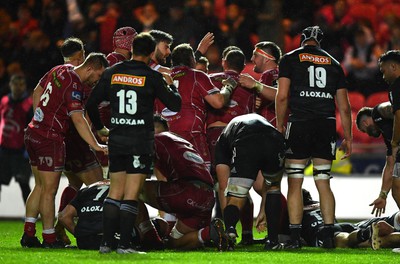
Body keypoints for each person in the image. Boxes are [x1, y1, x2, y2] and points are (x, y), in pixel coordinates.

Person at [86, 32, 181, 254]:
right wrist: (172, 85)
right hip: (140, 142)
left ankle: (106, 244)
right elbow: (175, 105)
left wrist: (100, 128)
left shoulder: (112, 73)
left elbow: (91, 104)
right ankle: (124, 246)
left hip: (117, 140)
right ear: (150, 53)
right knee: (130, 195)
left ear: (131, 50)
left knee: (114, 193)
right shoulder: (152, 76)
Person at [275, 25, 352, 249]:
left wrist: (280, 125)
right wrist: (348, 137)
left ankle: (295, 237)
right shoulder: (335, 64)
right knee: (323, 181)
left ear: (303, 40)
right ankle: (328, 234)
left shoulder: (290, 59)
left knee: (295, 181)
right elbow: (345, 107)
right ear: (320, 42)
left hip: (299, 123)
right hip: (325, 125)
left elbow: (282, 97)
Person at [21, 53, 109, 248]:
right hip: (49, 138)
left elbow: (38, 90)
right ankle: (50, 238)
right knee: (49, 191)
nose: (98, 80)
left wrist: (40, 117)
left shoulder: (61, 69)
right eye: (99, 75)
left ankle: (28, 234)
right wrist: (96, 145)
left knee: (40, 187)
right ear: (90, 68)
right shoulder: (74, 85)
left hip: (33, 132)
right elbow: (78, 118)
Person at [140, 131, 227, 251]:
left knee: (131, 189)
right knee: (173, 243)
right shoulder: (181, 141)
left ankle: (150, 239)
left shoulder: (156, 140)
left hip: (186, 191)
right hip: (207, 197)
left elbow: (139, 175)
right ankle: (209, 232)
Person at [206, 48, 258, 244]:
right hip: (239, 136)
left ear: (224, 62)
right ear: (243, 66)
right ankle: (245, 233)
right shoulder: (249, 85)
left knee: (216, 185)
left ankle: (217, 230)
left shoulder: (211, 78)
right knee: (241, 188)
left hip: (213, 135)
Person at [215, 113, 286, 250]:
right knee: (274, 188)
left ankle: (230, 232)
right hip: (275, 138)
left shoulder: (222, 143)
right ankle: (273, 241)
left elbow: (224, 187)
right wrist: (263, 209)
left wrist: (228, 221)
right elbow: (268, 185)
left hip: (246, 139)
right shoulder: (250, 125)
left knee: (237, 194)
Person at [161, 43, 237, 169]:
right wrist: (228, 87)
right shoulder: (196, 75)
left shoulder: (161, 78)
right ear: (192, 60)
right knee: (202, 175)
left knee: (170, 174)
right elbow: (218, 102)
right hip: (191, 131)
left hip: (166, 132)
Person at [58, 179, 168, 250]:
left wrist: (81, 234)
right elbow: (139, 217)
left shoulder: (87, 189)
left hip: (84, 241)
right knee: (161, 224)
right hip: (114, 238)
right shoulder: (126, 188)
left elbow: (64, 217)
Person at [97, 27, 138, 176]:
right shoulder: (124, 65)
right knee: (116, 174)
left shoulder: (106, 59)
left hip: (97, 118)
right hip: (112, 119)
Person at [356, 102, 400, 215]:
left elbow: (392, 107)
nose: (368, 135)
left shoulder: (377, 112)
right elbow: (390, 164)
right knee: (396, 191)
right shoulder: (387, 136)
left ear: (365, 123)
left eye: (364, 131)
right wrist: (383, 195)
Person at [0, 74, 33, 204]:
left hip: (21, 152)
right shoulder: (4, 101)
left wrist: (28, 150)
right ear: (10, 85)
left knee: (23, 184)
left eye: (21, 85)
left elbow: (32, 127)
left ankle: (32, 217)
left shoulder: (29, 104)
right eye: (15, 84)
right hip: (3, 150)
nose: (18, 88)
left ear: (24, 86)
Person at [238, 41, 282, 126]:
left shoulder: (270, 74)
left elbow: (280, 95)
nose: (252, 59)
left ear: (267, 59)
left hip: (271, 126)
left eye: (255, 55)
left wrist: (255, 84)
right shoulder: (280, 75)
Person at [378, 51, 400, 210]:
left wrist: (394, 141)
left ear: (393, 66)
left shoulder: (396, 86)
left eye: (383, 71)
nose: (383, 76)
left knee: (397, 187)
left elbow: (399, 116)